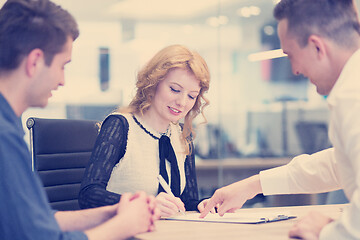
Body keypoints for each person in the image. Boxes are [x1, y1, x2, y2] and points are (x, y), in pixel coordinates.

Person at [200, 0, 360, 239]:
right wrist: (251, 186)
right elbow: (338, 163)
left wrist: (326, 230)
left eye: (290, 55)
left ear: (317, 47)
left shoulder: (352, 97)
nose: (294, 70)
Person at [0, 0, 158, 239]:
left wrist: (111, 213)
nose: (62, 80)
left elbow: (35, 221)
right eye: (63, 66)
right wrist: (125, 225)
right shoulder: (4, 137)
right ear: (34, 62)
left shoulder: (8, 125)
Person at [79, 44, 213, 217]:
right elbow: (88, 195)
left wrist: (202, 205)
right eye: (175, 89)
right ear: (153, 83)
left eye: (191, 96)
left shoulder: (182, 136)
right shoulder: (120, 126)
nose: (182, 102)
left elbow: (185, 201)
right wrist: (144, 205)